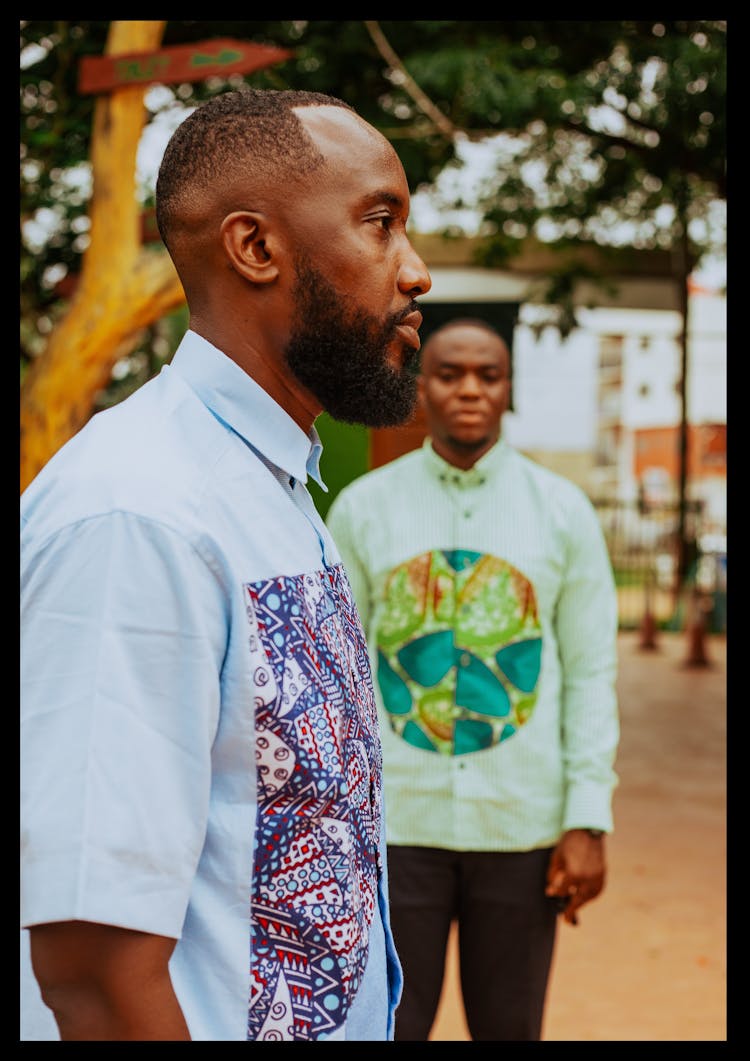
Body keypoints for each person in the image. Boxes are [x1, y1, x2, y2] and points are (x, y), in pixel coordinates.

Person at [20, 88, 432, 1042]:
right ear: (256, 247)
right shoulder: (138, 514)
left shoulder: (272, 487)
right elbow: (92, 964)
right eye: (381, 223)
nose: (415, 271)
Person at [326, 318, 620, 1042]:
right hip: (397, 827)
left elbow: (589, 672)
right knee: (386, 1026)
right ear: (420, 386)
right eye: (450, 373)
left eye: (487, 375)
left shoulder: (563, 514)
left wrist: (586, 818)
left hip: (521, 826)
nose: (468, 389)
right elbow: (339, 677)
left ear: (507, 388)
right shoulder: (364, 507)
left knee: (510, 1026)